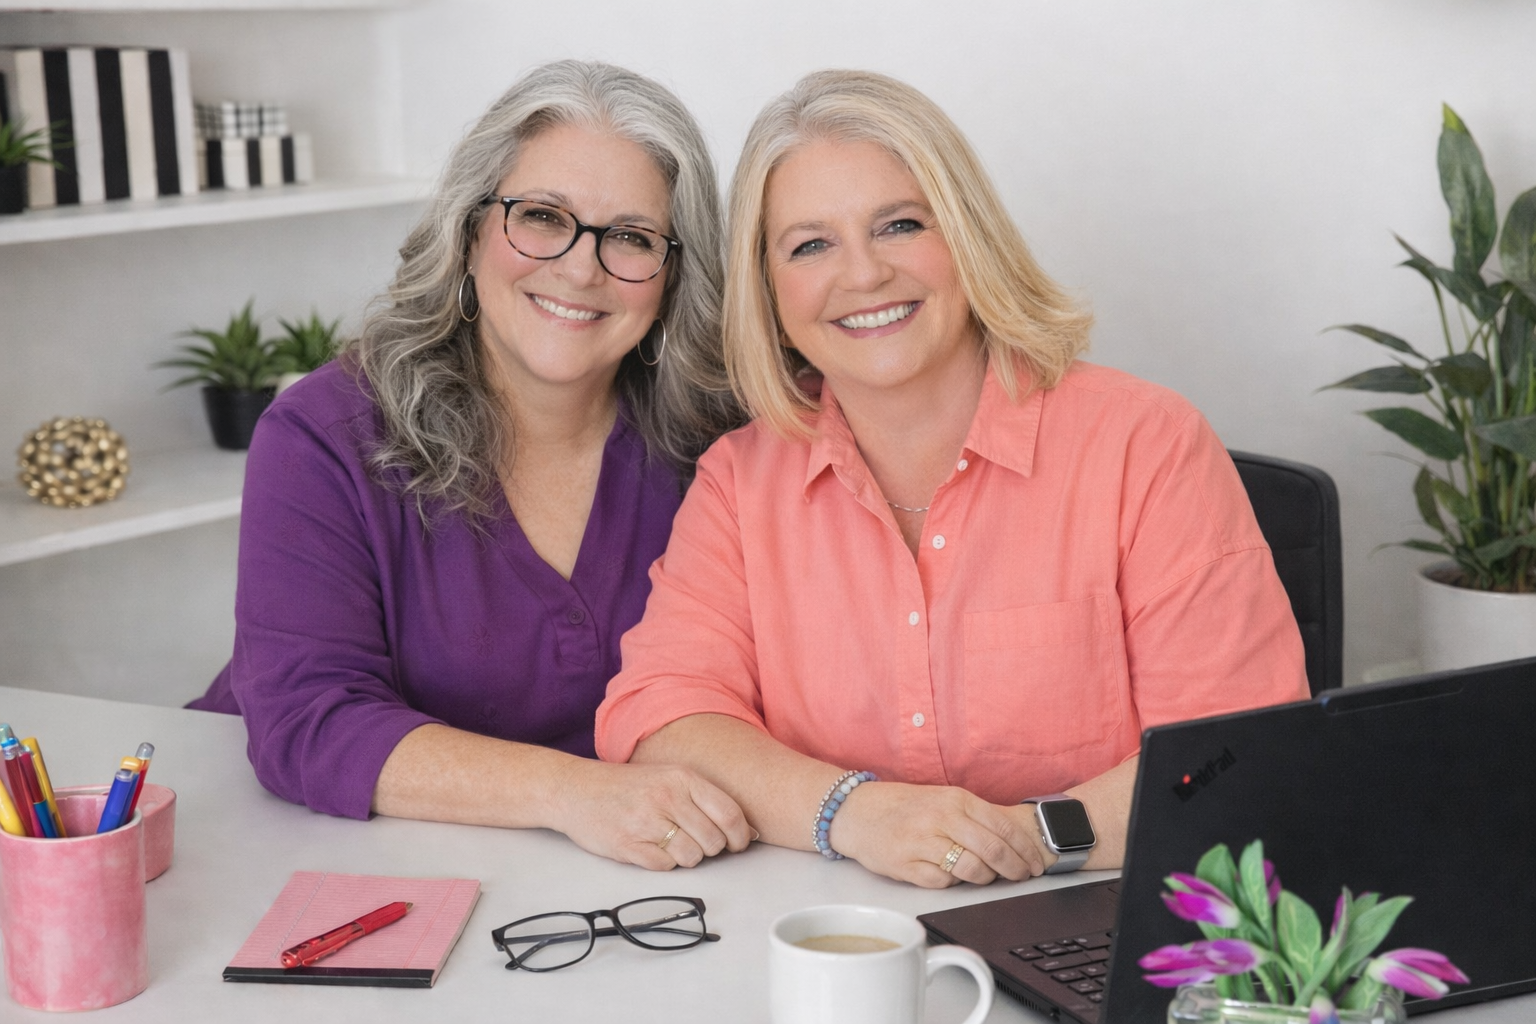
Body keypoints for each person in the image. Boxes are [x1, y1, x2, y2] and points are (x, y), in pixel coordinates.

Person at [595, 69, 1309, 888]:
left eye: (899, 225)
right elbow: (662, 715)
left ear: (967, 238)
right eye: (811, 245)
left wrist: (1026, 838)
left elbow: (1234, 753)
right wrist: (855, 814)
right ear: (769, 291)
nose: (863, 275)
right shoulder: (739, 479)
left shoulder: (1147, 445)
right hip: (830, 929)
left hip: (1103, 915)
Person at [187, 60, 752, 871]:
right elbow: (308, 721)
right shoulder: (323, 435)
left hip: (616, 876)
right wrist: (573, 794)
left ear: (674, 276)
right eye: (543, 217)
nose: (581, 268)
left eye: (631, 237)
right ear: (470, 230)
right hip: (322, 855)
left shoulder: (722, 439)